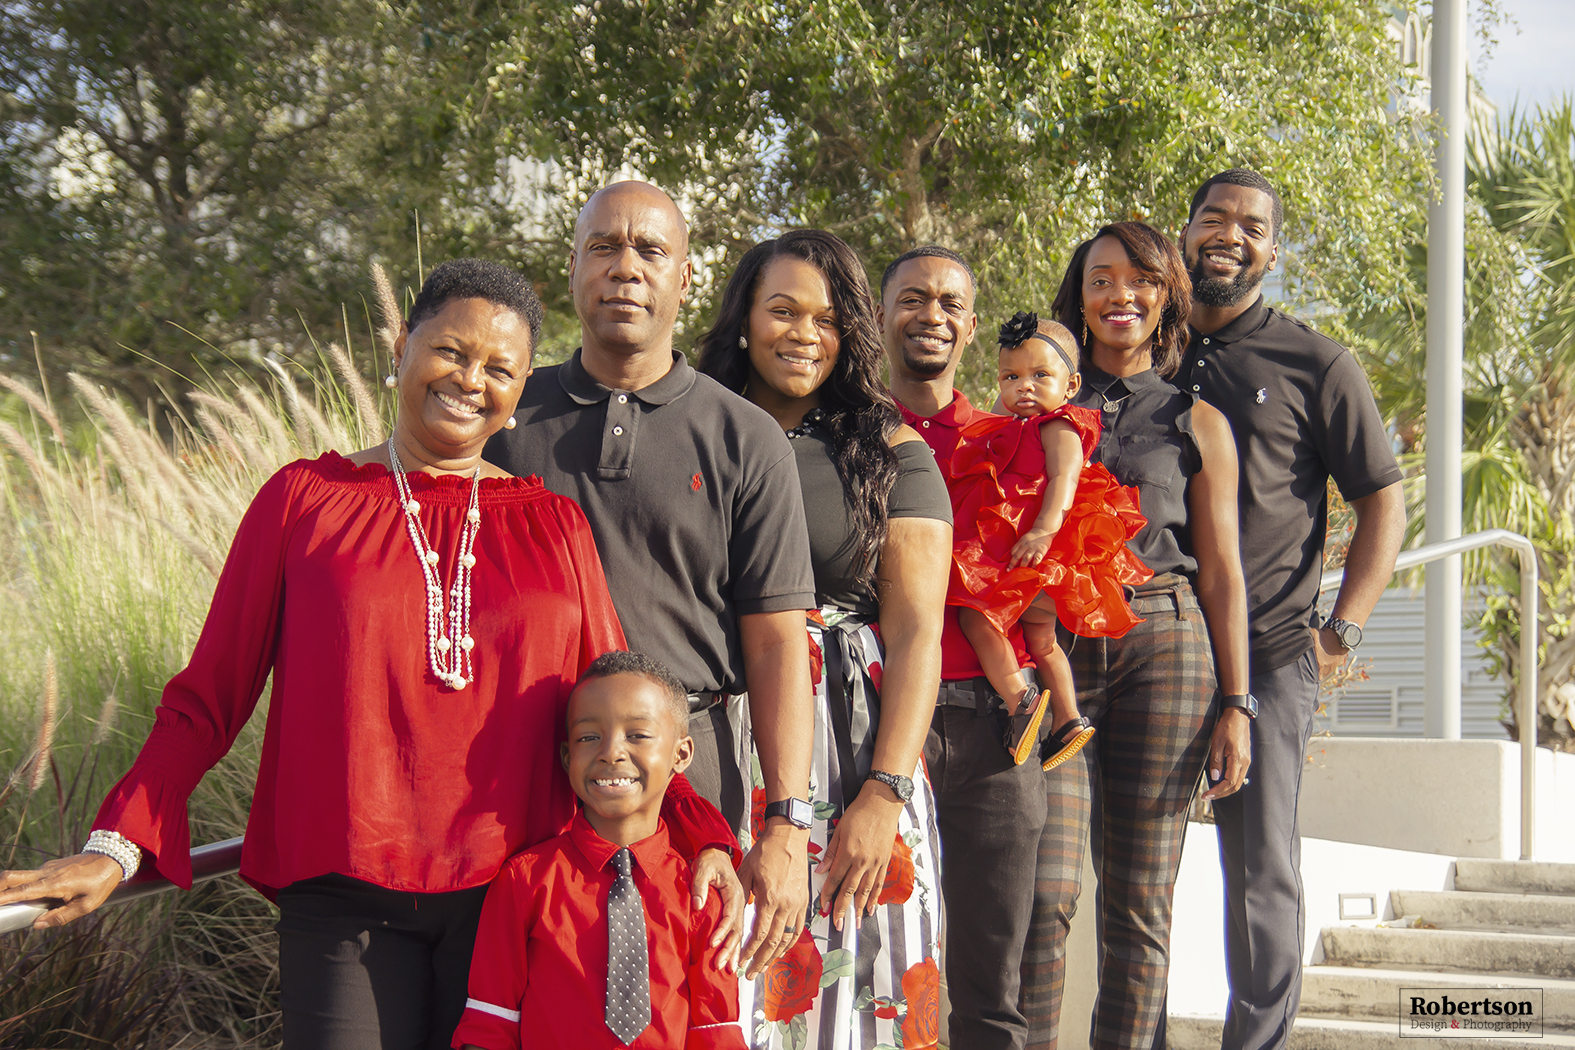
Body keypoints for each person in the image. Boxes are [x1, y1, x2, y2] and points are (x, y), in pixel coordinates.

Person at [0, 259, 740, 1050]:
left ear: (522, 386)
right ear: (400, 346)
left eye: (499, 369)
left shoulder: (552, 525)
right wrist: (116, 846)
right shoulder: (304, 502)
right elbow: (209, 695)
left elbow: (619, 710)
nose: (470, 381)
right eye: (450, 351)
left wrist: (705, 840)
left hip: (511, 897)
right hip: (342, 895)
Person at [485, 182, 816, 979]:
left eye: (649, 251)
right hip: (520, 783)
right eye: (603, 247)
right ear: (572, 266)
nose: (625, 268)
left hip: (688, 786)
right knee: (521, 1010)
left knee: (680, 1009)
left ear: (685, 276)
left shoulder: (746, 437)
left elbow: (777, 645)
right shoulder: (503, 420)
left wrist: (786, 824)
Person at [695, 229, 949, 1049]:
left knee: (864, 991)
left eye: (828, 318)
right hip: (717, 745)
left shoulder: (890, 449)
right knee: (729, 980)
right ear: (743, 318)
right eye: (783, 311)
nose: (805, 334)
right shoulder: (693, 426)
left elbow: (917, 635)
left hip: (856, 755)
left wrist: (885, 793)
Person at [1175, 168, 1405, 1050]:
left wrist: (1339, 632)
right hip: (1149, 647)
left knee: (1258, 870)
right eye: (1212, 218)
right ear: (1185, 231)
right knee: (1127, 866)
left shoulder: (1316, 363)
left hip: (1271, 652)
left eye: (1250, 226)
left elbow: (1382, 500)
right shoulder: (1140, 347)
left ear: (1272, 253)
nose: (1228, 235)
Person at [1020, 222, 1251, 1050]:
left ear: (1166, 297)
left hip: (1166, 644)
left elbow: (1221, 571)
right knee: (1043, 893)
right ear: (1078, 299)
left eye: (1140, 280)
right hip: (1055, 648)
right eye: (1100, 280)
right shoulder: (1036, 405)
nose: (1120, 295)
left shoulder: (1199, 421)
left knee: (1139, 902)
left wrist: (1238, 703)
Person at [877, 244, 1047, 1050]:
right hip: (876, 725)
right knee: (877, 971)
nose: (932, 315)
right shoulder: (844, 435)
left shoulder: (1008, 438)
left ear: (971, 326)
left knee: (991, 986)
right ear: (880, 315)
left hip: (993, 730)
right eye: (913, 298)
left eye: (950, 303)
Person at [453, 651, 748, 1050]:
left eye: (637, 735)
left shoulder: (700, 896)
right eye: (589, 737)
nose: (611, 751)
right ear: (566, 757)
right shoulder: (524, 882)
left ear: (681, 754)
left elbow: (716, 1034)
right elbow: (490, 1024)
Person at [947, 312, 1152, 770]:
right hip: (1025, 550)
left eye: (1041, 375)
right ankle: (1068, 719)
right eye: (1011, 377)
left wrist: (1043, 530)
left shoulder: (1061, 425)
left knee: (975, 616)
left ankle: (1020, 700)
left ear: (1071, 384)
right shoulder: (1011, 425)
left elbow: (1065, 481)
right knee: (1041, 641)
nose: (1025, 386)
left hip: (1036, 551)